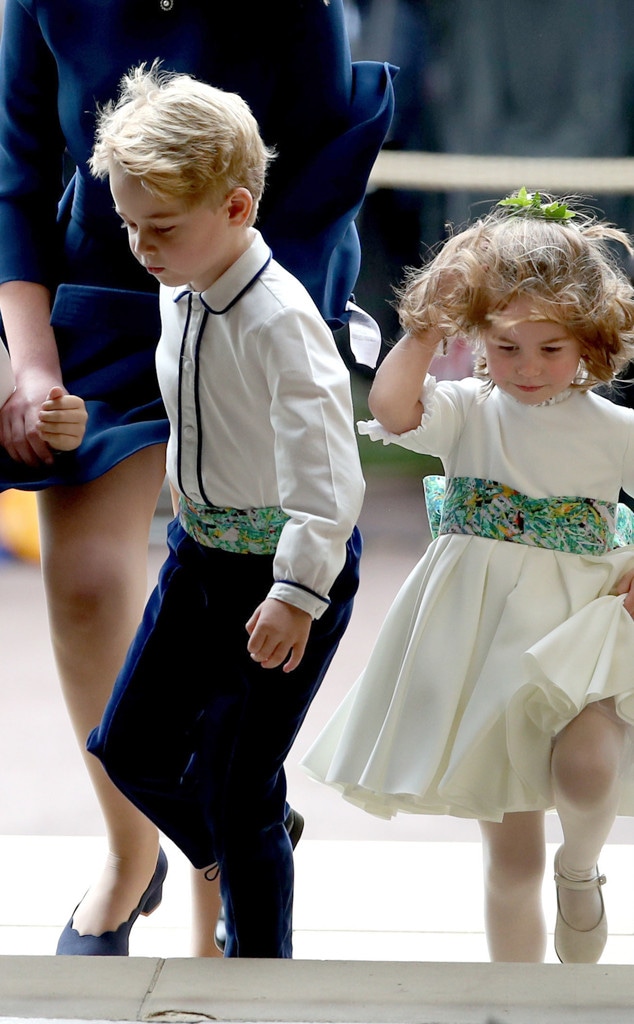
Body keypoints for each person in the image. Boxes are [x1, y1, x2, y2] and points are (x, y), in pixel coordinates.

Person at [0, 0, 394, 957]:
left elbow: (316, 181)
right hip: (100, 300)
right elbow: (15, 178)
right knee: (90, 581)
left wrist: (239, 328)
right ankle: (135, 858)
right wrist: (33, 366)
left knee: (232, 586)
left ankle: (228, 876)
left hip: (256, 292)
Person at [301, 189, 634, 964]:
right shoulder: (468, 411)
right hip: (487, 641)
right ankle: (517, 1000)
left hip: (583, 623)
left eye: (551, 349)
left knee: (588, 768)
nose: (526, 368)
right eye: (507, 347)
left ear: (589, 344)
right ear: (480, 338)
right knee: (510, 859)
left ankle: (581, 866)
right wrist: (424, 330)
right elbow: (392, 406)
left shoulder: (614, 431)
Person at [85, 63, 364, 960]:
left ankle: (261, 975)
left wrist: (297, 590)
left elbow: (329, 475)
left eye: (159, 227)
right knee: (127, 746)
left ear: (237, 210)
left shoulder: (282, 323)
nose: (141, 247)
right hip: (199, 554)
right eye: (129, 224)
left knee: (234, 793)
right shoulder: (180, 288)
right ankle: (257, 828)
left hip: (284, 568)